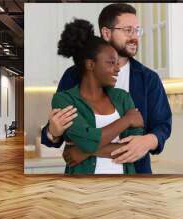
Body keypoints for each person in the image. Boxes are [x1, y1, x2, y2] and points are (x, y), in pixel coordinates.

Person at [41, 3, 172, 174]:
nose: (135, 37)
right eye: (128, 30)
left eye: (137, 30)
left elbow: (162, 126)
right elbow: (61, 132)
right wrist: (53, 132)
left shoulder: (149, 79)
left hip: (136, 177)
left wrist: (149, 140)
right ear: (107, 33)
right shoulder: (74, 76)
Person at [53, 18, 144, 174]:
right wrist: (127, 120)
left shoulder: (123, 97)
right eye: (110, 63)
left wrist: (81, 151)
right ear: (91, 65)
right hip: (83, 190)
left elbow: (134, 149)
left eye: (117, 63)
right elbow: (88, 142)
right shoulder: (64, 100)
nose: (117, 69)